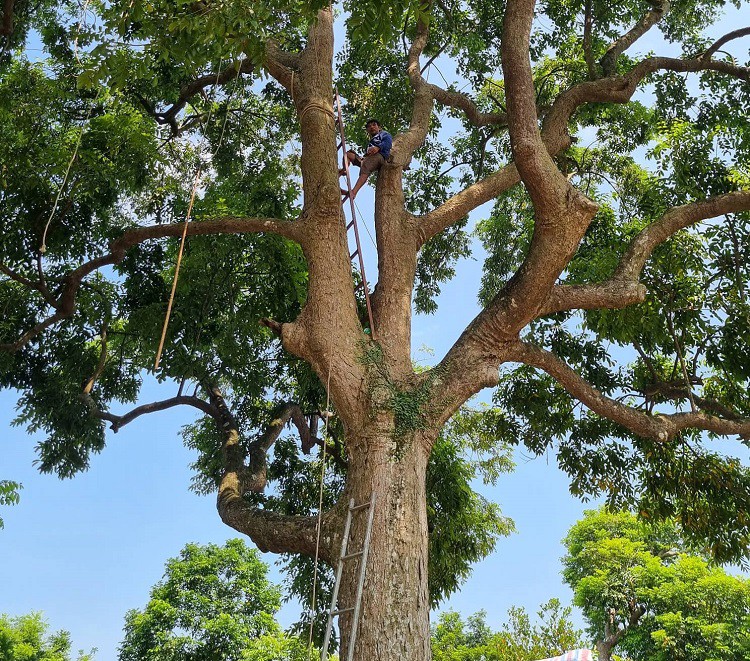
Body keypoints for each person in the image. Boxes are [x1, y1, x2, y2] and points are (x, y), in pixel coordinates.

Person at [339, 119, 392, 200]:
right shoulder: (372, 140)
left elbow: (388, 143)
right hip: (367, 158)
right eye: (369, 126)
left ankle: (354, 192)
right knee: (348, 154)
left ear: (379, 127)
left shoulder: (384, 134)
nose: (372, 127)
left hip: (379, 156)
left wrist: (378, 147)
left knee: (366, 167)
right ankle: (344, 170)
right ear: (367, 130)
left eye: (374, 125)